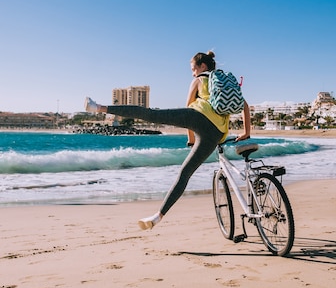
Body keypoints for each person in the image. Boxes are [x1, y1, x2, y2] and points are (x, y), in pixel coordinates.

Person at [85, 51, 251, 230]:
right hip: (217, 133)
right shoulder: (225, 84)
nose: (193, 73)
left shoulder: (199, 80)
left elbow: (189, 105)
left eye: (193, 69)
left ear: (203, 67)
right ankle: (157, 216)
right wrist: (246, 132)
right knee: (186, 172)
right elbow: (245, 105)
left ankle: (98, 107)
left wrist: (190, 138)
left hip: (199, 118)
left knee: (151, 115)